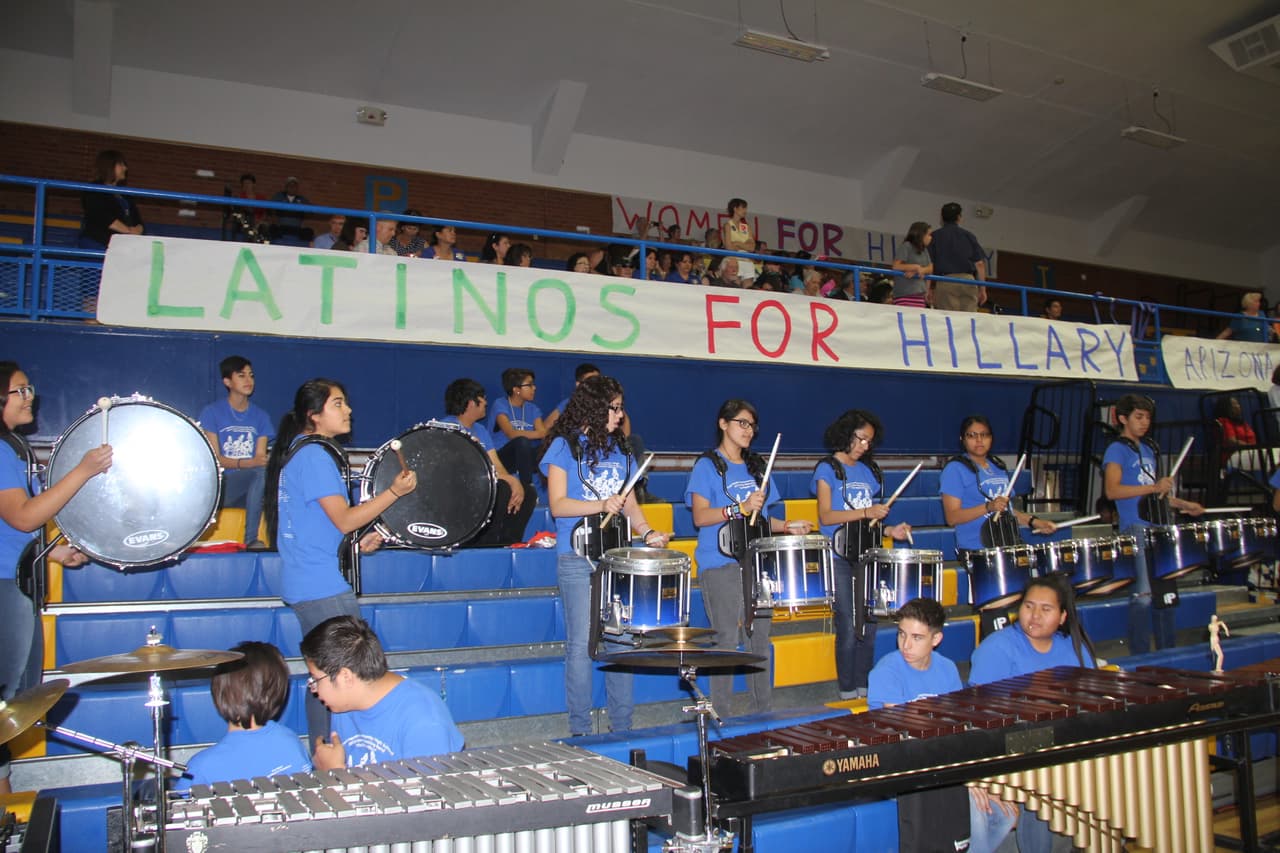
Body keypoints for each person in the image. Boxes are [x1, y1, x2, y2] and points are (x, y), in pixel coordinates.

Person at [264, 378, 417, 745]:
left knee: (328, 675)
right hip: (320, 586)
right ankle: (330, 755)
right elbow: (345, 518)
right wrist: (394, 492)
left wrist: (355, 543)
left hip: (308, 580)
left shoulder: (303, 453)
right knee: (347, 675)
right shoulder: (315, 455)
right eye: (337, 404)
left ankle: (325, 751)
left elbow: (320, 527)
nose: (348, 410)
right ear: (313, 415)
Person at [0, 361, 111, 794]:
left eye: (30, 388)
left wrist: (54, 552)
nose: (30, 397)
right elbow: (24, 518)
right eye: (20, 391)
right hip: (7, 588)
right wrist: (82, 470)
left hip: (14, 579)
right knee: (8, 702)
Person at [539, 375, 671, 735]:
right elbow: (559, 505)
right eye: (614, 407)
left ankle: (622, 728)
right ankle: (580, 730)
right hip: (576, 559)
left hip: (617, 560)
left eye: (620, 407)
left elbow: (629, 502)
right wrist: (601, 503)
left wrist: (647, 533)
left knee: (622, 640)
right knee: (582, 645)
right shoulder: (564, 447)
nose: (620, 414)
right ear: (596, 407)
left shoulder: (623, 450)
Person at [686, 400, 813, 715]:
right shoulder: (707, 465)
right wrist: (737, 508)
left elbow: (762, 520)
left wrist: (786, 527)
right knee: (727, 639)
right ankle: (721, 715)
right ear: (723, 424)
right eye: (742, 423)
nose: (748, 430)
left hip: (758, 563)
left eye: (752, 425)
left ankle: (763, 711)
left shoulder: (757, 467)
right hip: (720, 563)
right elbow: (700, 517)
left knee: (760, 639)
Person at [867, 598, 1016, 853]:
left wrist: (975, 776)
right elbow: (904, 733)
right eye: (902, 634)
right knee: (977, 817)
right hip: (906, 763)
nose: (906, 645)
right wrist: (963, 780)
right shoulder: (887, 671)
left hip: (941, 761)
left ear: (936, 640)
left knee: (1006, 814)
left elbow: (958, 728)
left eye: (917, 637)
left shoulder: (946, 669)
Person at [969, 575, 1096, 853]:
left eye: (1046, 609)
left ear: (1063, 616)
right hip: (1014, 747)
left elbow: (1091, 701)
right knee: (1042, 781)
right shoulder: (997, 648)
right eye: (1029, 606)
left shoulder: (1074, 648)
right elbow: (982, 716)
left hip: (1065, 741)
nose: (1035, 615)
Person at [811, 410, 911, 700]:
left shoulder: (869, 472)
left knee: (869, 623)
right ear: (846, 433)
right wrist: (867, 511)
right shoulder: (827, 468)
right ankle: (846, 689)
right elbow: (826, 517)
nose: (865, 446)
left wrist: (891, 531)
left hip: (869, 554)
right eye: (861, 439)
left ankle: (865, 687)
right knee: (846, 622)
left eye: (869, 441)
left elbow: (873, 523)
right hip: (839, 555)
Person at [1103, 394, 1203, 655]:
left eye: (1148, 417)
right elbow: (1112, 491)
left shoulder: (1148, 449)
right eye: (1139, 416)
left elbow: (1155, 496)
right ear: (1123, 418)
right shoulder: (1116, 449)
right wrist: (1153, 486)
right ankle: (1140, 655)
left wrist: (1184, 505)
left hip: (1158, 527)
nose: (1144, 422)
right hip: (1135, 529)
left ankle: (1167, 654)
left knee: (1166, 596)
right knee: (1144, 596)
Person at [303, 615, 462, 768]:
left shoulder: (424, 722)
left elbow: (427, 793)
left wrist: (333, 774)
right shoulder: (344, 704)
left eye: (315, 679)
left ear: (345, 677)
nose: (313, 688)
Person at [175, 641, 310, 791]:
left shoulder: (201, 767)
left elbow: (178, 808)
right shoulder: (292, 742)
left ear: (219, 692)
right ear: (279, 691)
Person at [941, 415, 1056, 558]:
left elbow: (1007, 510)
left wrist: (1034, 522)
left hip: (1007, 544)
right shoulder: (955, 469)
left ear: (991, 438)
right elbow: (952, 518)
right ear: (962, 439)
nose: (979, 440)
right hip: (977, 550)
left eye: (984, 435)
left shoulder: (998, 467)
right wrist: (988, 507)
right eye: (972, 435)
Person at [439, 378, 534, 546]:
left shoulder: (481, 430)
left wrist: (514, 482)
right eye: (483, 399)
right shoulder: (447, 427)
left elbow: (496, 464)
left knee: (527, 493)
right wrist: (508, 481)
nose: (486, 403)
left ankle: (508, 543)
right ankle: (485, 543)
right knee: (501, 488)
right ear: (470, 403)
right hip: (459, 488)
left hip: (485, 483)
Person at [198, 356, 272, 549]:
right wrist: (245, 463)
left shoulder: (261, 416)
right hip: (223, 488)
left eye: (251, 375)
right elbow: (216, 460)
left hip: (252, 489)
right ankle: (251, 540)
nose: (249, 380)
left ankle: (264, 541)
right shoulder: (211, 413)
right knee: (259, 472)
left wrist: (255, 463)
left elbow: (260, 458)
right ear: (227, 382)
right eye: (241, 376)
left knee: (267, 474)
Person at [490, 367, 546, 489]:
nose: (534, 388)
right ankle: (527, 488)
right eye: (529, 385)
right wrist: (535, 433)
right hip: (503, 457)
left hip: (525, 457)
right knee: (521, 441)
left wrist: (538, 434)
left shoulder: (533, 409)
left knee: (551, 445)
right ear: (516, 390)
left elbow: (543, 433)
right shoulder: (500, 404)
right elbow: (510, 433)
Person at [77, 149, 144, 250]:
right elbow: (101, 216)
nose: (125, 168)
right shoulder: (93, 189)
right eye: (121, 164)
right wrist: (129, 231)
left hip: (121, 244)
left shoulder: (125, 194)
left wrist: (138, 230)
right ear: (109, 166)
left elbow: (137, 219)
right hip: (98, 242)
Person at [928, 202, 987, 313]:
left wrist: (929, 288)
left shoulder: (935, 237)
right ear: (959, 217)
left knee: (949, 319)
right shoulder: (969, 235)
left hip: (945, 280)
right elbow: (979, 264)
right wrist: (982, 289)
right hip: (969, 281)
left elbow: (930, 265)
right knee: (969, 320)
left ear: (942, 217)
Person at [891, 221, 933, 308]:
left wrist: (921, 270)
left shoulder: (924, 250)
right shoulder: (906, 246)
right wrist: (914, 267)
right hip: (904, 294)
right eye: (928, 235)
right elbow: (896, 266)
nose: (930, 238)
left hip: (920, 294)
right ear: (921, 235)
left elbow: (930, 267)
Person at [720, 198, 757, 285]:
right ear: (735, 209)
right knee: (735, 288)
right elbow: (729, 247)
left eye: (746, 208)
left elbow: (752, 247)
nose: (745, 210)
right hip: (733, 260)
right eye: (743, 208)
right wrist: (744, 245)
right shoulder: (728, 225)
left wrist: (737, 243)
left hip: (747, 260)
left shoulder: (747, 227)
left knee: (748, 292)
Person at [1214, 395, 1258, 467]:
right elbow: (1231, 441)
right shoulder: (1223, 422)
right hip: (1233, 456)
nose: (1238, 406)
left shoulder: (1242, 423)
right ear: (1226, 408)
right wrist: (1252, 447)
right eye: (1233, 405)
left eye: (1237, 404)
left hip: (1249, 453)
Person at [267, 177, 314, 243]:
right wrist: (274, 219)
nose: (292, 187)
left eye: (294, 186)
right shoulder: (279, 196)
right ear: (286, 187)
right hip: (281, 227)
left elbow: (311, 210)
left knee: (309, 232)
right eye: (290, 185)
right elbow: (270, 207)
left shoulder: (301, 199)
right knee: (272, 229)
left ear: (297, 188)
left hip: (296, 228)